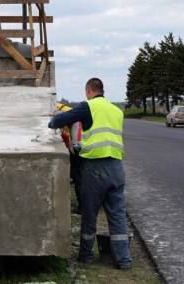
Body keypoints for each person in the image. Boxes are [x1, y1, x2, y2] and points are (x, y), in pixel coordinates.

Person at [48, 78, 131, 269]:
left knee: (89, 212)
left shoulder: (88, 107)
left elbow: (61, 120)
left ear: (88, 90)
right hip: (117, 167)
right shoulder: (117, 111)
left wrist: (51, 121)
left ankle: (85, 256)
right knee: (117, 215)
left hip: (95, 168)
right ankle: (124, 260)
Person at [55, 100, 83, 207]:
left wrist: (74, 146)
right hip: (79, 146)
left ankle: (83, 206)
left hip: (78, 148)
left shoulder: (60, 111)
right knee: (79, 177)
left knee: (78, 177)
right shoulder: (65, 110)